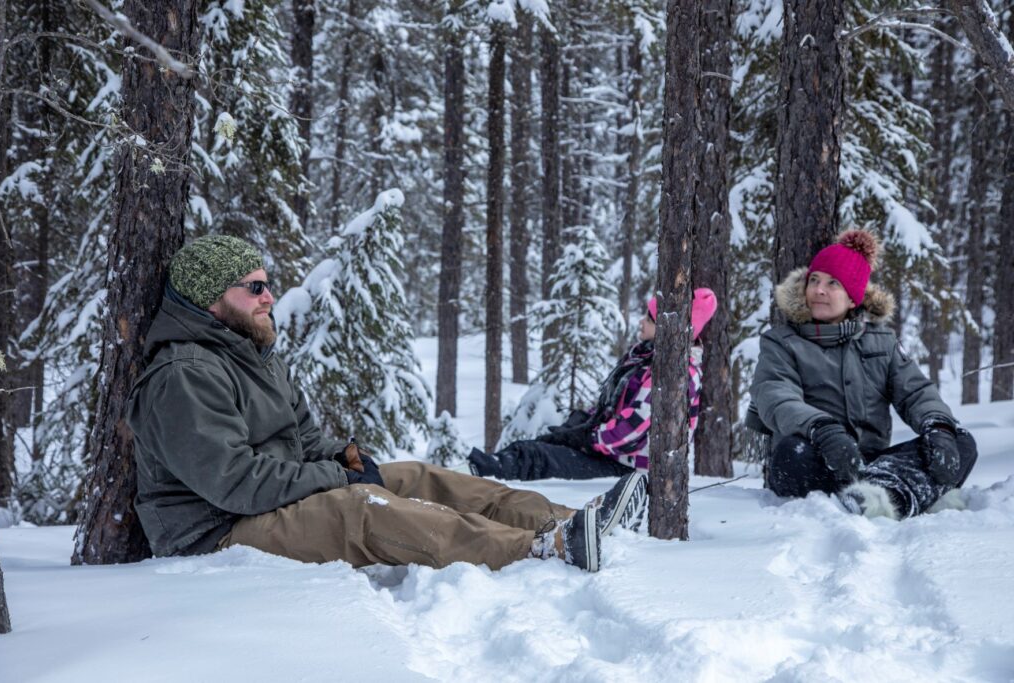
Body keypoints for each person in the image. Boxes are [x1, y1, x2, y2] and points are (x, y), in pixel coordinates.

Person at [127, 235, 650, 574]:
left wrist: (349, 460)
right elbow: (235, 483)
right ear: (208, 299)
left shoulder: (250, 353)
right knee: (361, 509)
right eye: (255, 287)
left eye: (269, 284)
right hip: (214, 533)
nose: (269, 296)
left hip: (269, 500)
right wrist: (340, 481)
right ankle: (542, 550)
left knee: (411, 477)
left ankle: (570, 519)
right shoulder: (185, 375)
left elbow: (305, 438)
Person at [749, 229, 977, 519]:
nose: (819, 290)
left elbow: (917, 392)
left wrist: (938, 427)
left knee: (960, 441)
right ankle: (908, 494)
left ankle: (878, 493)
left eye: (833, 283)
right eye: (814, 280)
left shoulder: (882, 342)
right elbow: (775, 395)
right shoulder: (781, 342)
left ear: (853, 299)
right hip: (816, 456)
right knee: (791, 454)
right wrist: (822, 429)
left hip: (871, 459)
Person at [468, 288, 718, 480]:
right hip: (613, 454)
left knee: (535, 458)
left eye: (649, 319)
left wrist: (587, 438)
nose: (642, 322)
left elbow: (633, 430)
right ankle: (475, 470)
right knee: (534, 446)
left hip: (629, 469)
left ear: (667, 328)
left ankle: (475, 476)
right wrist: (582, 424)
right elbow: (617, 409)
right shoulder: (645, 359)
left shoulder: (676, 373)